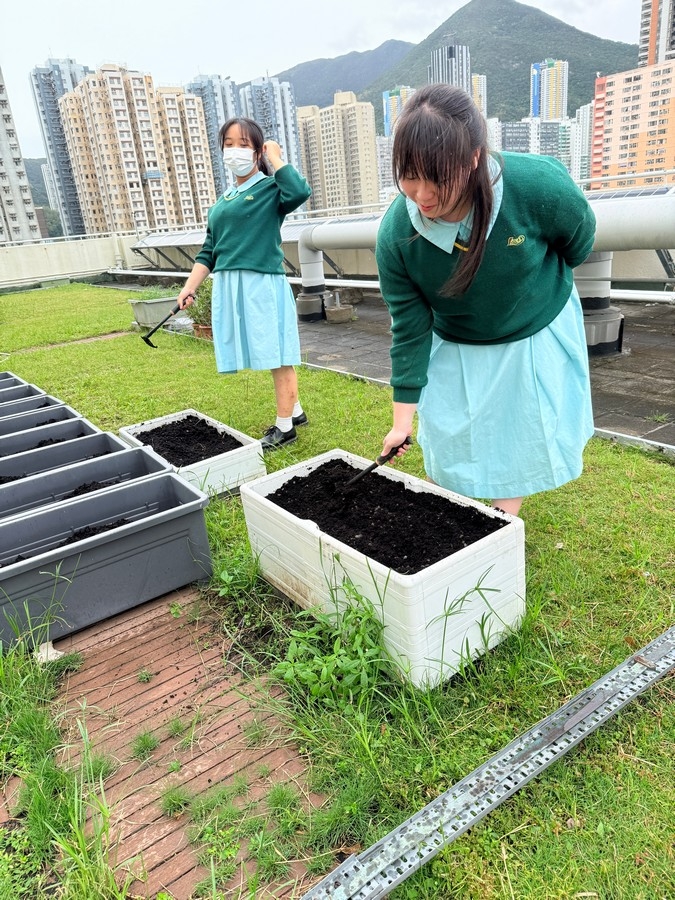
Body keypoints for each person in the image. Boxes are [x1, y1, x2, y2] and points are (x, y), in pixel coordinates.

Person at [375, 85, 596, 516]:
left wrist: (535, 286)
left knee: (518, 435)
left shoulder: (536, 184)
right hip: (456, 337)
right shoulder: (396, 235)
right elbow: (410, 328)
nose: (422, 194)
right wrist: (402, 422)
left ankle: (501, 522)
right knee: (454, 438)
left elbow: (579, 240)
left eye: (438, 176)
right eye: (410, 175)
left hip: (531, 328)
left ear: (474, 157)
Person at [177, 117, 311, 451]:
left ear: (257, 151)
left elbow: (299, 191)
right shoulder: (222, 201)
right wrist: (190, 286)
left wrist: (275, 156)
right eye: (229, 144)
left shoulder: (270, 189)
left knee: (276, 354)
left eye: (244, 144)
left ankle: (285, 428)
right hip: (232, 284)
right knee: (267, 350)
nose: (235, 150)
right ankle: (295, 411)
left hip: (261, 284)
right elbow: (210, 250)